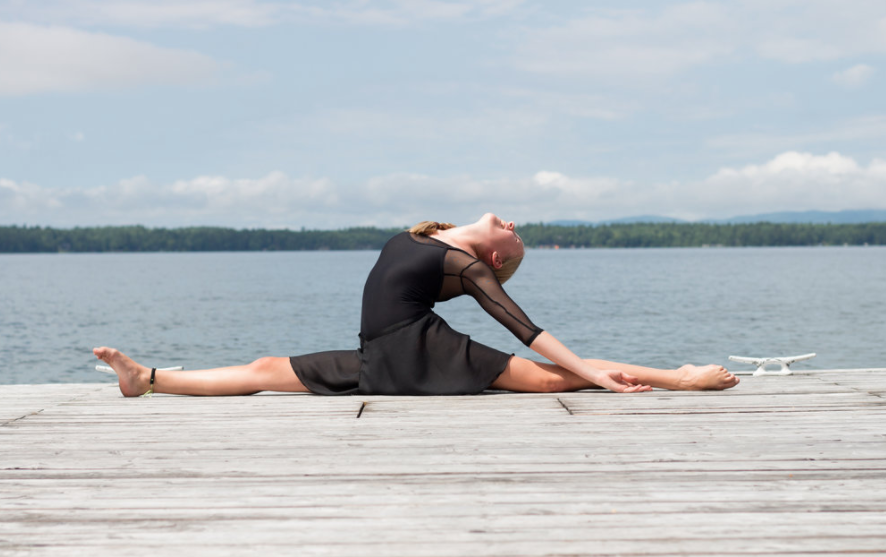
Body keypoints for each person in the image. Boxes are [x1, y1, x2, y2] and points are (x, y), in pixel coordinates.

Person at [94, 213, 738, 397]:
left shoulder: (463, 265)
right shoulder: (424, 236)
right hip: (384, 352)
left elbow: (524, 327)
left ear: (494, 259)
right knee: (266, 366)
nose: (516, 222)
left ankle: (679, 376)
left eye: (515, 238)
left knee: (550, 375)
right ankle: (145, 378)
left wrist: (595, 375)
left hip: (415, 349)